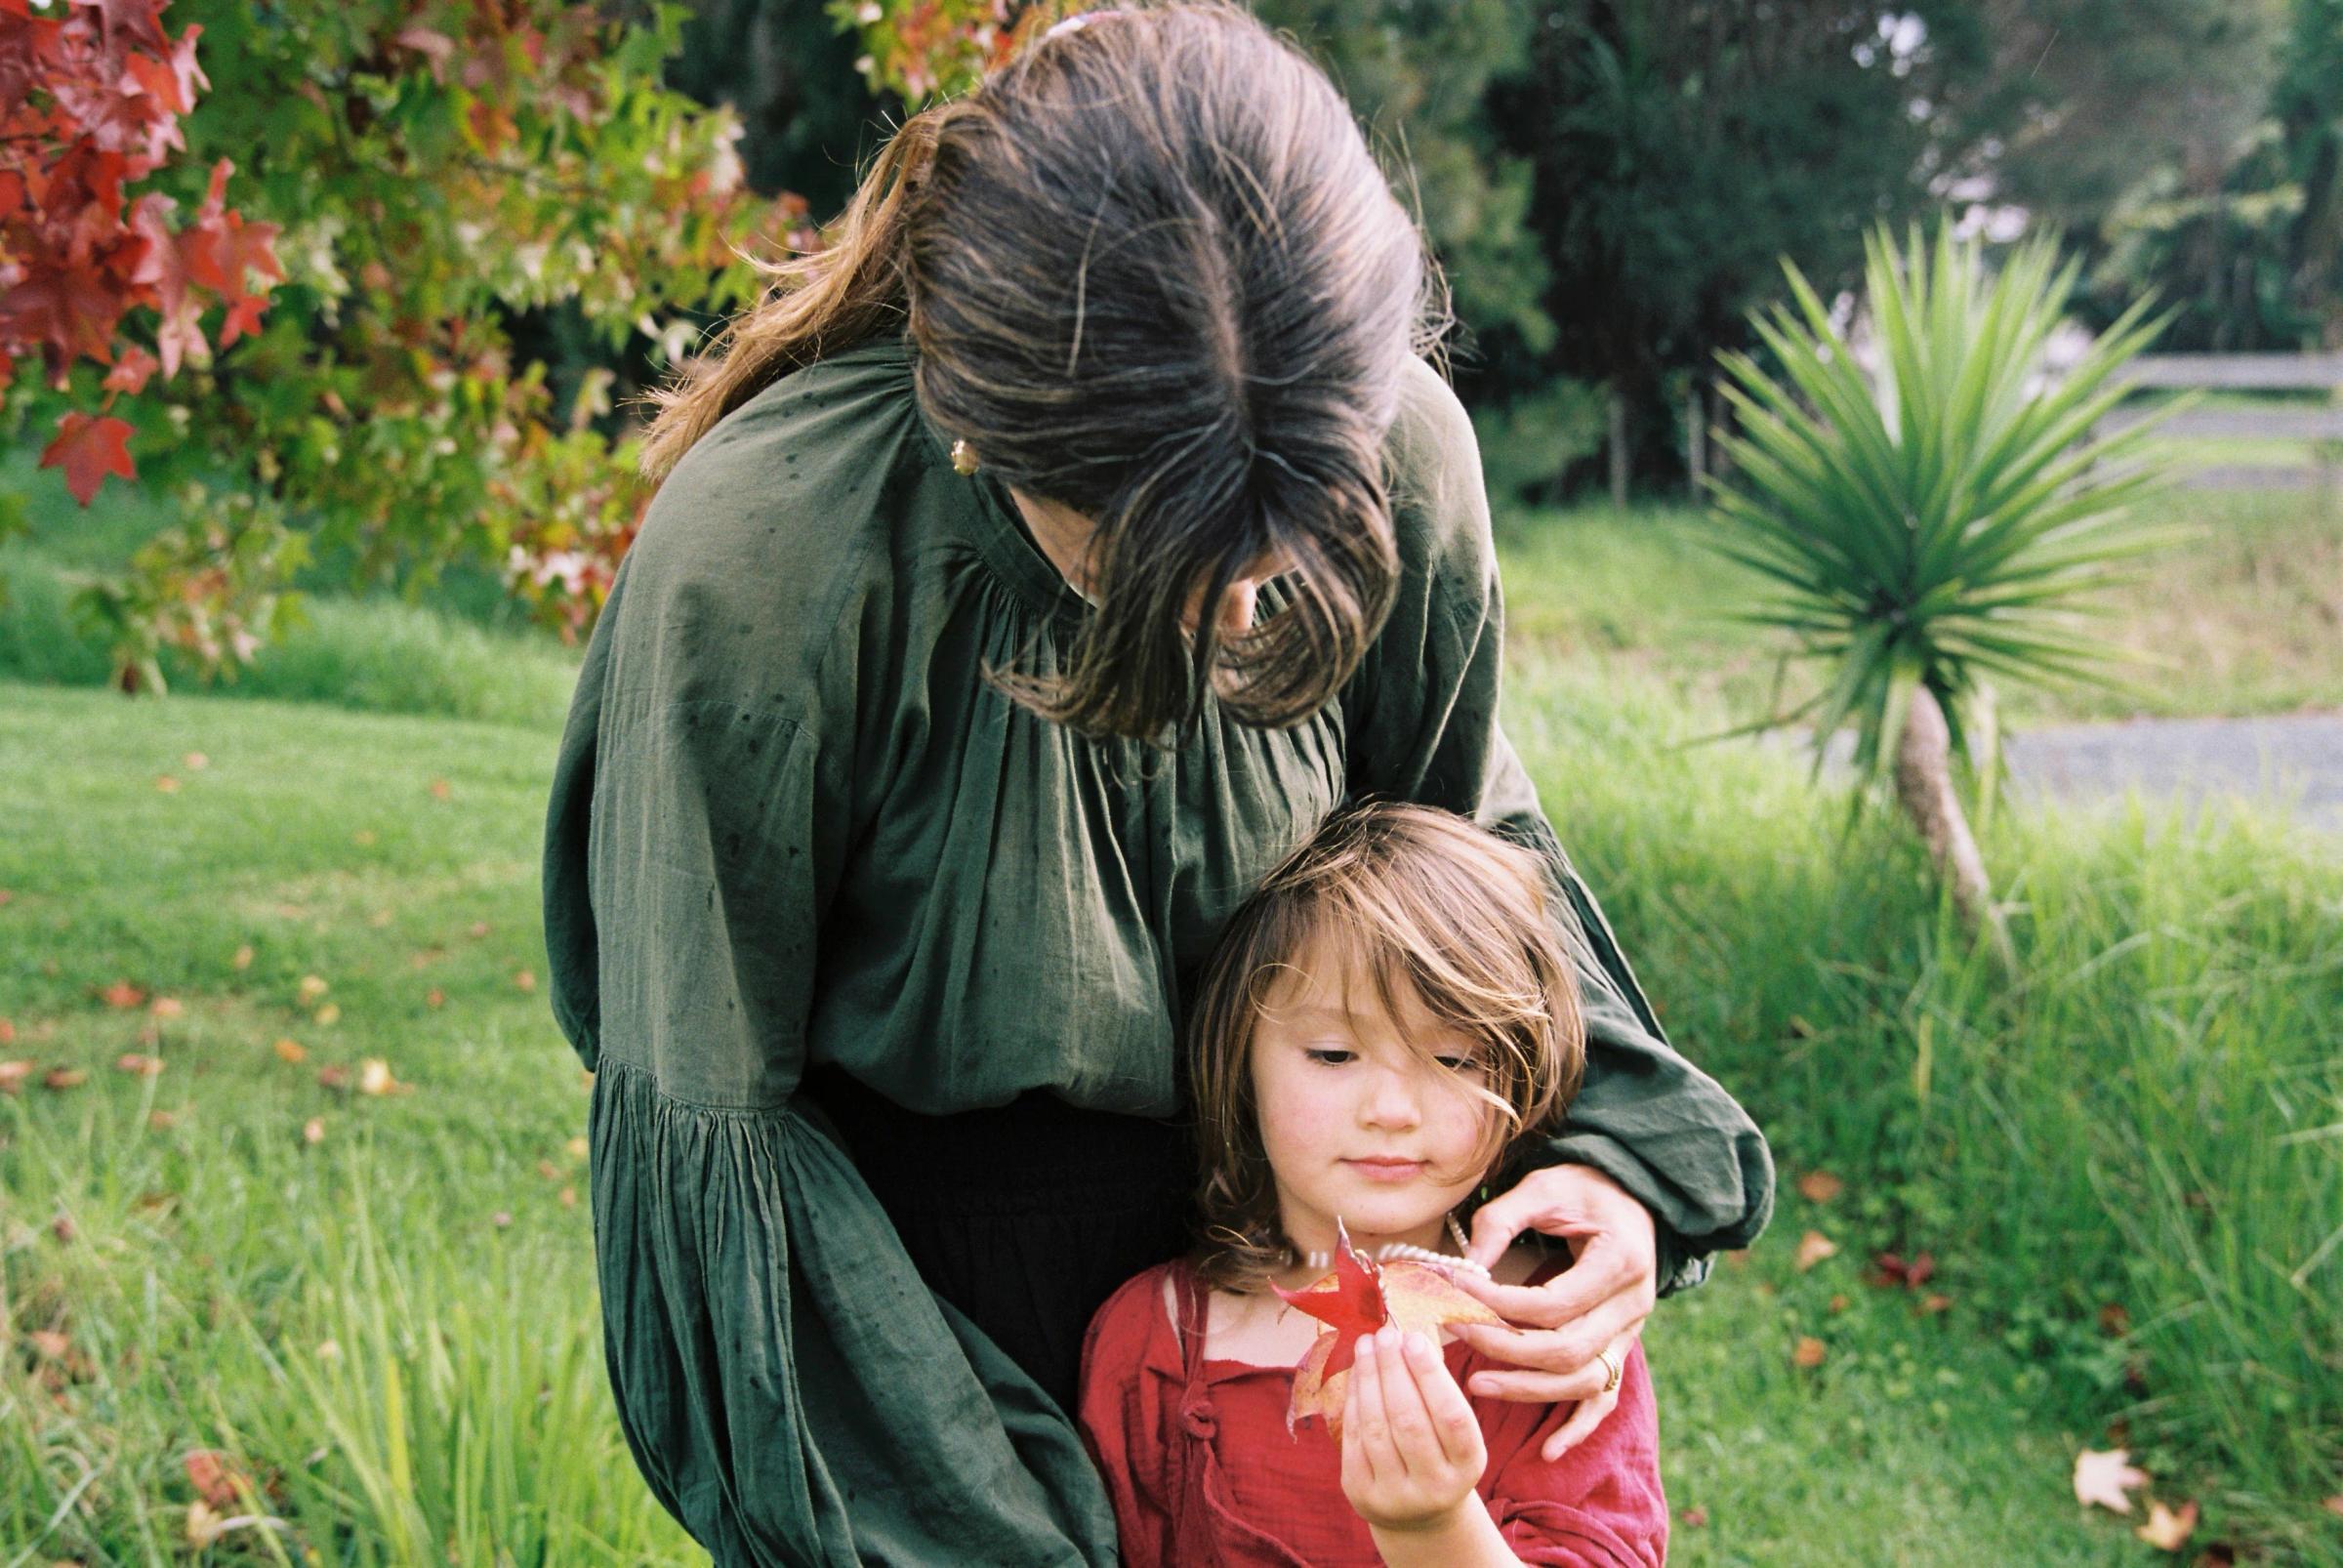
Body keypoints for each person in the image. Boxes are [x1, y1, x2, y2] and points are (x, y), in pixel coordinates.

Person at [540, 3, 1770, 1561]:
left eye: (1292, 534)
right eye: (1159, 558)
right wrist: (969, 1512)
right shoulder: (772, 566)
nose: (1248, 615)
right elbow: (712, 1115)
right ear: (990, 433)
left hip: (1313, 1262)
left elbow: (1463, 874)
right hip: (930, 1332)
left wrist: (1608, 1167)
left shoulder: (1401, 454)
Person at [1079, 803, 1666, 1568]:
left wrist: (1433, 1528)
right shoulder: (1155, 1340)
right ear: (1239, 1059)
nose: (1391, 1111)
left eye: (1455, 1059)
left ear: (1525, 1074)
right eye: (1331, 1053)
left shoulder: (1556, 1338)